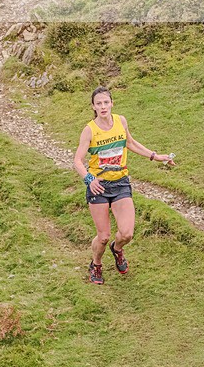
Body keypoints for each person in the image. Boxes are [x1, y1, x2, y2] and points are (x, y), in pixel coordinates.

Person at [74, 86, 175, 284]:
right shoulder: (89, 130)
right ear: (93, 107)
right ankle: (96, 263)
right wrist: (89, 180)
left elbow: (130, 143)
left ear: (111, 103)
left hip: (120, 183)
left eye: (106, 102)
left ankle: (117, 248)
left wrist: (156, 156)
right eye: (98, 103)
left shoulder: (121, 121)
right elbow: (77, 160)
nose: (103, 106)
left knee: (127, 233)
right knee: (102, 237)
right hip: (99, 187)